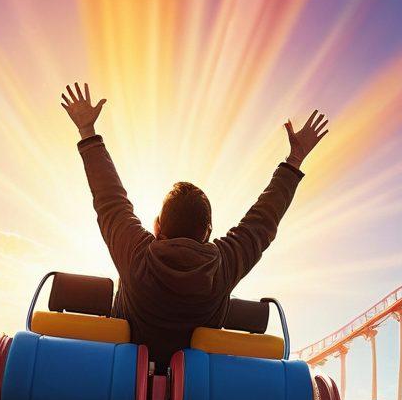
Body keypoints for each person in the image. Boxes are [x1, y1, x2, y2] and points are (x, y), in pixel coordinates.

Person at [60, 82, 328, 364]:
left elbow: (110, 200)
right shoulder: (223, 265)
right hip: (193, 396)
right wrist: (294, 158)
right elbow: (263, 221)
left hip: (124, 384)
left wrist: (87, 132)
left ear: (157, 227)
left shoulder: (137, 255)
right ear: (208, 232)